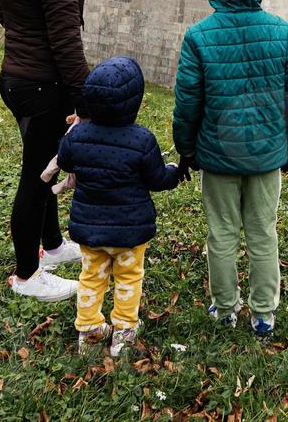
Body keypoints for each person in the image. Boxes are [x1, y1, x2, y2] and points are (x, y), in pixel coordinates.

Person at [172, 0, 288, 339]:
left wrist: (187, 148)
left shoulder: (199, 37)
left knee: (222, 233)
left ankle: (226, 306)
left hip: (217, 155)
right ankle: (264, 312)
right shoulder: (280, 31)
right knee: (263, 232)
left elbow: (188, 102)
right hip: (267, 155)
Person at [0, 0, 90, 303]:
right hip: (40, 85)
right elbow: (65, 40)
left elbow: (7, 16)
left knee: (46, 164)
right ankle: (28, 274)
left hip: (16, 76)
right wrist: (83, 98)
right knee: (36, 177)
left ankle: (51, 247)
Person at [56, 57, 186, 357]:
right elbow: (157, 179)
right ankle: (123, 330)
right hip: (130, 231)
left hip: (90, 229)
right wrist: (174, 171)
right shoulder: (142, 140)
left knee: (91, 277)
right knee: (128, 277)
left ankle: (89, 330)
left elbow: (64, 161)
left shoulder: (77, 136)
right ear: (135, 102)